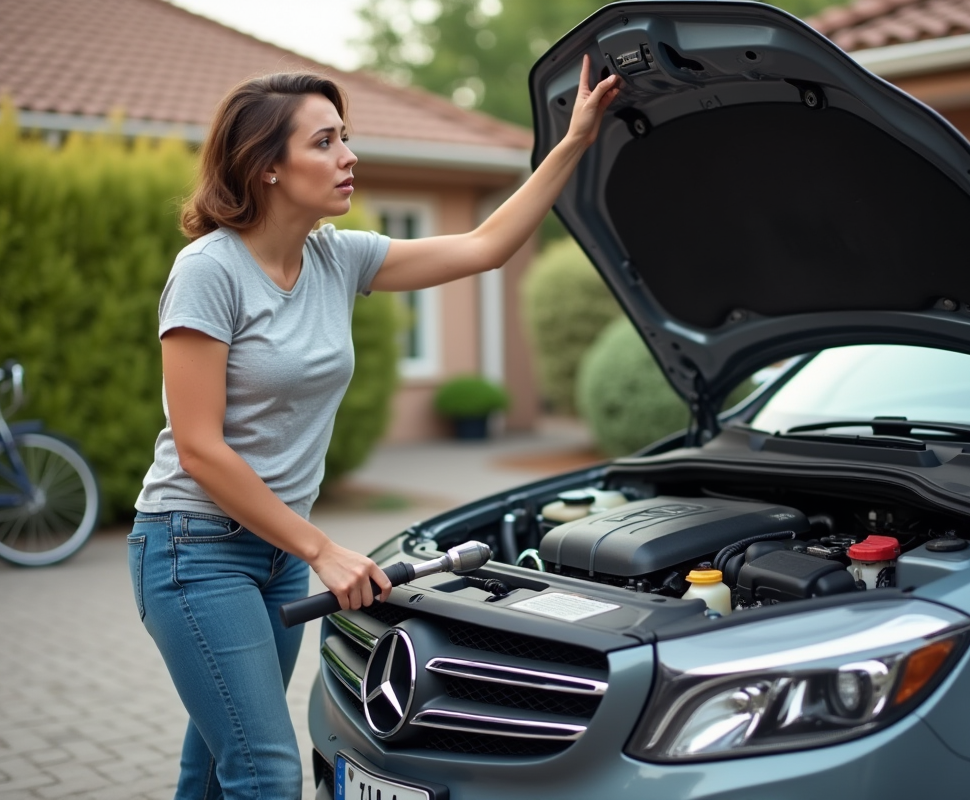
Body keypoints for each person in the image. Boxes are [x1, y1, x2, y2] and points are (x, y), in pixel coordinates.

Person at [126, 58, 620, 799]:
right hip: (194, 551)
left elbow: (485, 246)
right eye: (325, 142)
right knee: (263, 769)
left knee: (212, 769)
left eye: (345, 138)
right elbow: (198, 448)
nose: (349, 157)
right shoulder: (210, 271)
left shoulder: (337, 258)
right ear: (266, 167)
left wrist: (576, 139)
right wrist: (322, 549)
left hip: (277, 552)